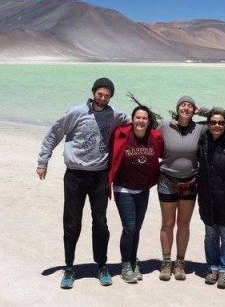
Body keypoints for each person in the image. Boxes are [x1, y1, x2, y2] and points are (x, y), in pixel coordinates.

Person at [36, 78, 128, 289]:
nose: (103, 98)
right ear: (94, 92)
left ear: (111, 97)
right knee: (72, 222)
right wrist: (43, 161)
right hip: (75, 176)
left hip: (99, 177)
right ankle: (69, 268)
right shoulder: (76, 112)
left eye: (107, 95)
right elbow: (54, 133)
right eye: (100, 94)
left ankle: (102, 266)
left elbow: (137, 124)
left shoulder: (115, 115)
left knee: (101, 222)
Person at [108, 103, 164, 284]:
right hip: (123, 188)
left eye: (144, 118)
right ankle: (126, 265)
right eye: (138, 117)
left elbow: (162, 156)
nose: (141, 121)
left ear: (149, 121)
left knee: (137, 229)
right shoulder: (120, 134)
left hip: (143, 189)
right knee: (129, 227)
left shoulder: (155, 137)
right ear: (132, 119)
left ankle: (133, 262)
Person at [157, 95, 208, 281]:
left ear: (194, 110)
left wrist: (203, 111)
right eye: (183, 105)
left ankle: (180, 262)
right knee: (167, 223)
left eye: (190, 106)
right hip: (167, 180)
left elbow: (224, 122)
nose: (186, 108)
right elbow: (151, 142)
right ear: (177, 108)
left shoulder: (200, 128)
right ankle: (166, 262)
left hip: (190, 181)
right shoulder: (164, 126)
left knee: (184, 224)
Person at [196, 107, 225, 290]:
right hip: (207, 195)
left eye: (221, 123)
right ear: (207, 124)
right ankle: (212, 268)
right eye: (213, 122)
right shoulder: (202, 141)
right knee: (210, 236)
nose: (217, 125)